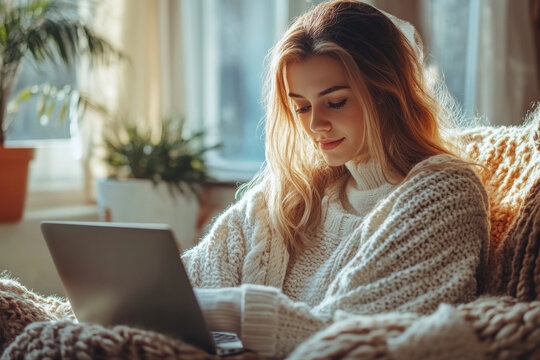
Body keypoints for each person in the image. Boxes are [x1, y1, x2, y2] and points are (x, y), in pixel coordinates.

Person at [182, 0, 489, 358]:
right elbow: (188, 285)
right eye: (302, 106)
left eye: (336, 102)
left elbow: (356, 335)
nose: (315, 125)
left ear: (386, 93)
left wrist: (228, 313)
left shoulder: (446, 194)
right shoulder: (289, 196)